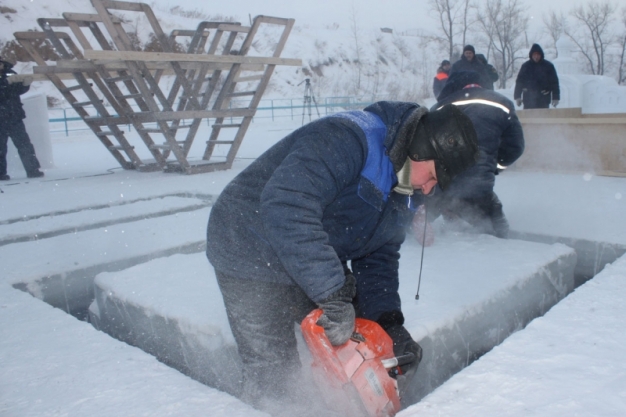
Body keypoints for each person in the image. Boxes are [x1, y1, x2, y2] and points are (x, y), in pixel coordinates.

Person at [205, 101, 479, 413]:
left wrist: (388, 323)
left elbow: (379, 254)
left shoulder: (405, 187)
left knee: (353, 341)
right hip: (247, 243)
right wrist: (333, 295)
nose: (429, 190)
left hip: (306, 251)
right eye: (431, 176)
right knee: (273, 370)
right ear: (418, 148)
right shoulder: (349, 138)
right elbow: (287, 204)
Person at [425, 71, 524, 239]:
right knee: (499, 236)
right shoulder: (502, 104)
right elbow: (516, 147)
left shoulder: (439, 107)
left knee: (417, 229)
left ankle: (446, 217)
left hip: (442, 189)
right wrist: (494, 166)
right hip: (479, 188)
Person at [0, 58, 44, 181]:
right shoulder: (7, 77)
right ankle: (0, 174)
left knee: (25, 145)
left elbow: (15, 91)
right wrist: (5, 82)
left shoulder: (10, 73)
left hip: (14, 117)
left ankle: (33, 170)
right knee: (0, 148)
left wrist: (25, 85)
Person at [514, 43, 560, 109]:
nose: (536, 57)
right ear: (531, 55)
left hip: (544, 99)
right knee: (528, 119)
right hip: (528, 99)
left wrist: (555, 97)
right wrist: (517, 96)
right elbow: (519, 82)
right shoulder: (526, 66)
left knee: (544, 118)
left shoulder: (548, 66)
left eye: (538, 54)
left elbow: (554, 83)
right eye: (534, 54)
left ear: (541, 55)